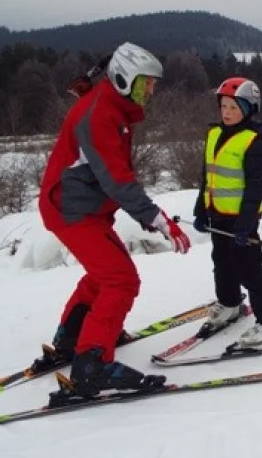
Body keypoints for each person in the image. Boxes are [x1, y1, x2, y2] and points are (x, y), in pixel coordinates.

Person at [38, 42, 191, 396]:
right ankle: (91, 364)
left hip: (83, 207)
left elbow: (112, 177)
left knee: (104, 274)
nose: (151, 90)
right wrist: (157, 219)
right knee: (121, 280)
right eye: (146, 83)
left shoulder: (112, 106)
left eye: (152, 84)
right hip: (72, 210)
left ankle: (73, 338)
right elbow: (116, 178)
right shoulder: (100, 114)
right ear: (124, 79)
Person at [192, 77, 262, 347]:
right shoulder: (213, 134)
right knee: (222, 263)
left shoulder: (254, 142)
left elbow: (256, 187)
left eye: (234, 108)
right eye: (224, 106)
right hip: (217, 214)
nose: (226, 112)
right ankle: (230, 303)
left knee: (249, 269)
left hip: (241, 219)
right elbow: (207, 176)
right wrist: (201, 208)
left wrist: (246, 222)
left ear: (249, 109)